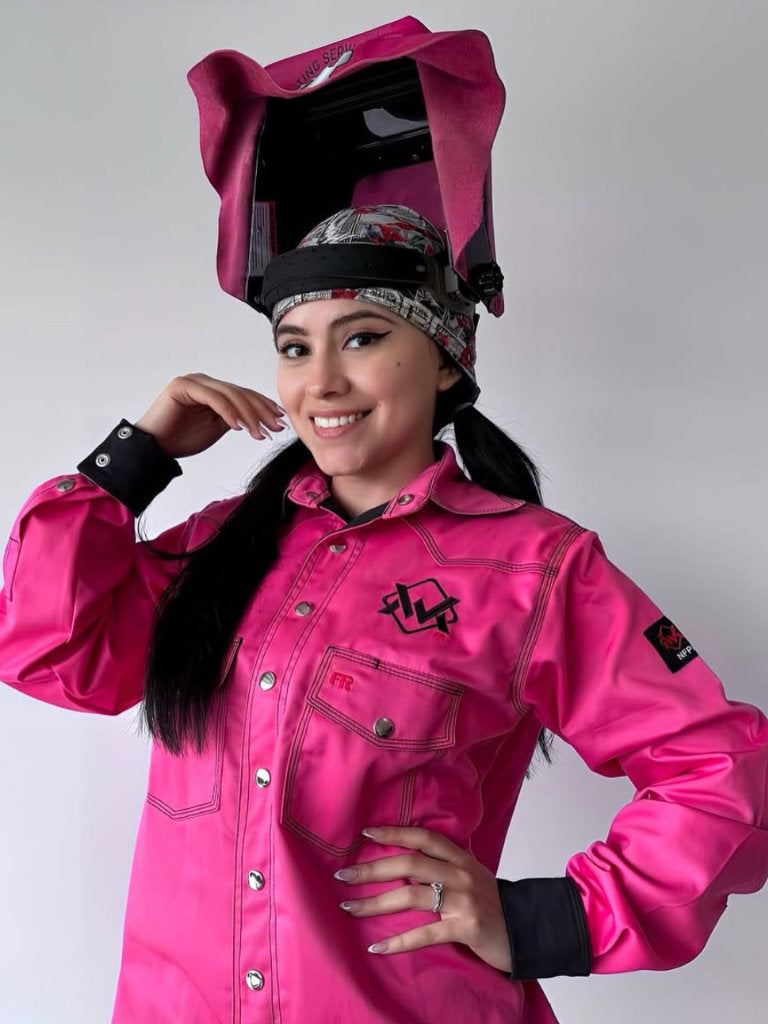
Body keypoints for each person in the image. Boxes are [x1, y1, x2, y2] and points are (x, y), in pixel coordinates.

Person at [1, 204, 767, 1024]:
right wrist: (133, 462)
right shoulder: (221, 545)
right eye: (295, 347)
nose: (321, 382)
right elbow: (47, 652)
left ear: (444, 359)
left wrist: (544, 920)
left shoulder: (535, 567)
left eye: (362, 338)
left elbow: (722, 773)